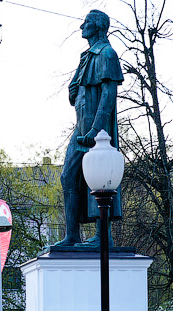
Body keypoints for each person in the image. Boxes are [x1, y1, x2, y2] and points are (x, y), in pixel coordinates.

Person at [56, 9, 124, 248]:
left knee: (102, 180)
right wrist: (72, 93)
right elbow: (79, 92)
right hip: (80, 129)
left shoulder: (107, 53)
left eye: (85, 22)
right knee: (68, 177)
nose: (81, 26)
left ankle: (102, 236)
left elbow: (108, 95)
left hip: (97, 132)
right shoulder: (87, 56)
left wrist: (96, 130)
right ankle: (72, 235)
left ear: (96, 25)